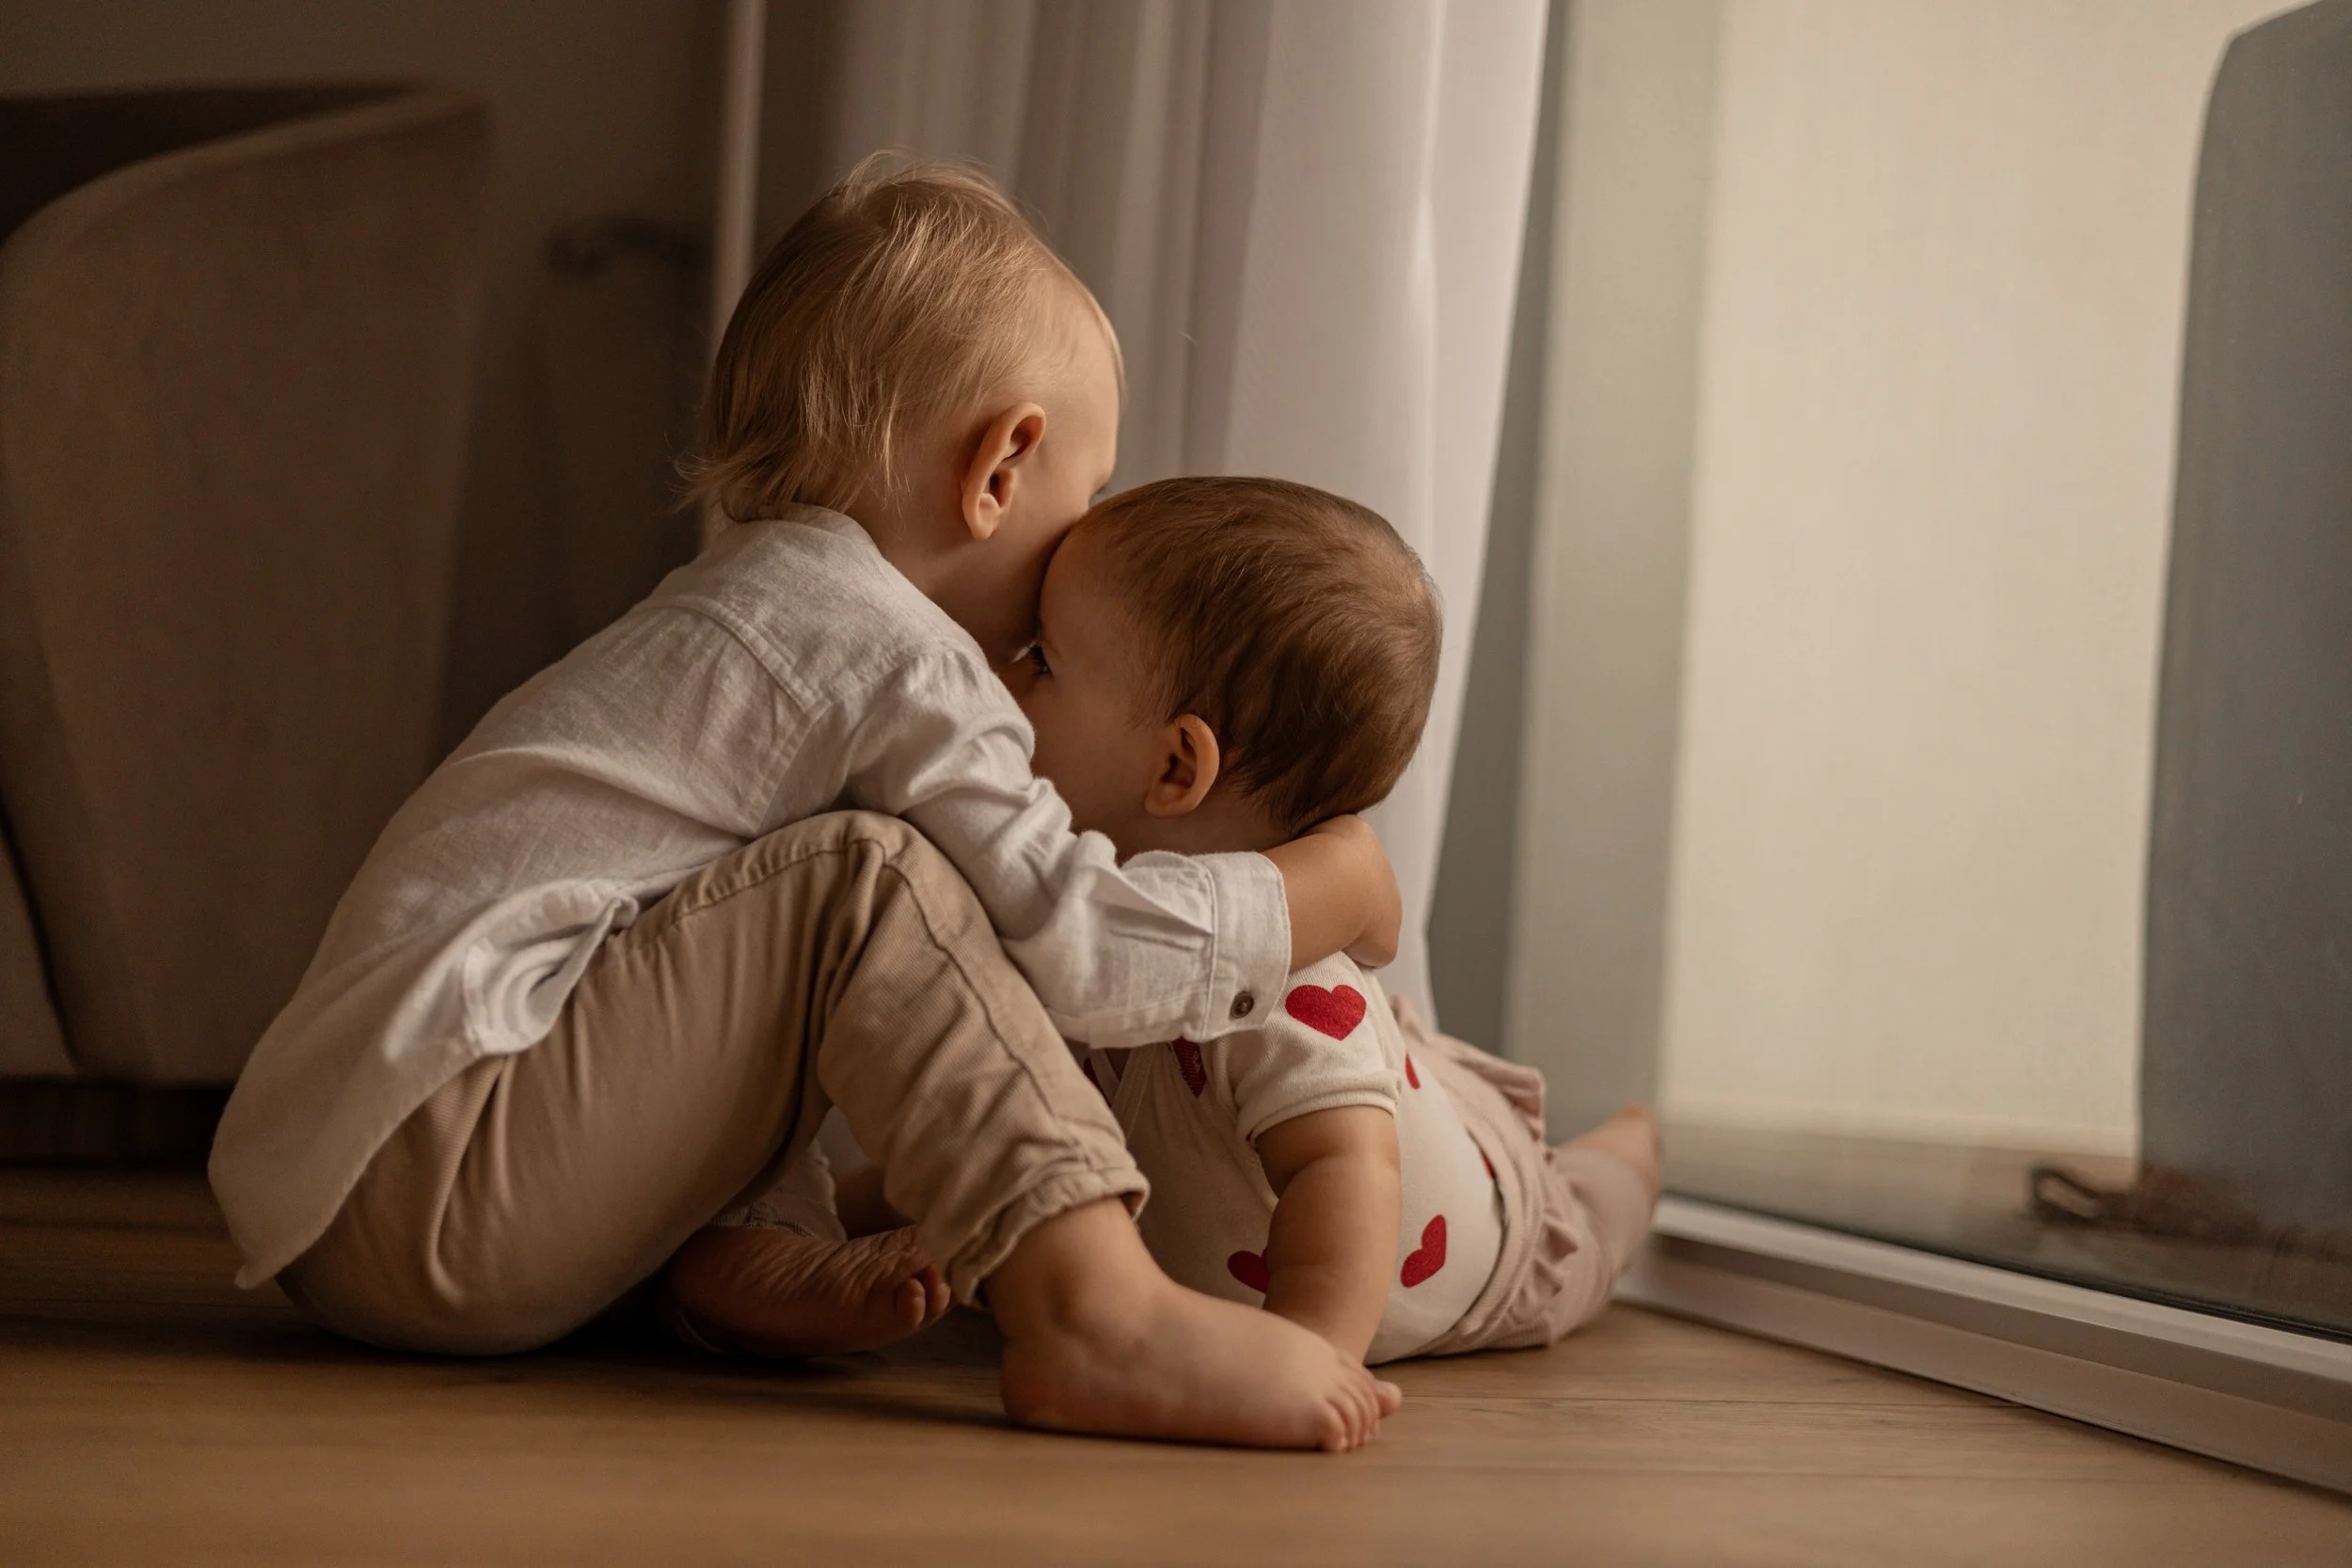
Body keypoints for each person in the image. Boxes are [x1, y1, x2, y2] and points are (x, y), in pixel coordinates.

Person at [206, 163, 1405, 1451]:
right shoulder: (887, 648)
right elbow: (1083, 955)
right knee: (867, 881)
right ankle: (1095, 1311)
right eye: (1091, 493)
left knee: (770, 901)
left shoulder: (745, 613)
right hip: (445, 1159)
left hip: (358, 1199)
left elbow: (692, 992)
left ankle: (739, 1252)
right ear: (1001, 466)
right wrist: (1322, 885)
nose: (1086, 536)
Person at [1005, 477, 1660, 1363]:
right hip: (1396, 1087)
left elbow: (1343, 1169)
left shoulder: (1284, 988)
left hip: (1492, 1242)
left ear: (1174, 765)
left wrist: (1308, 1353)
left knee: (1590, 1210)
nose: (1002, 678)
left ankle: (1637, 1145)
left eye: (1042, 659)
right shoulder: (1090, 923)